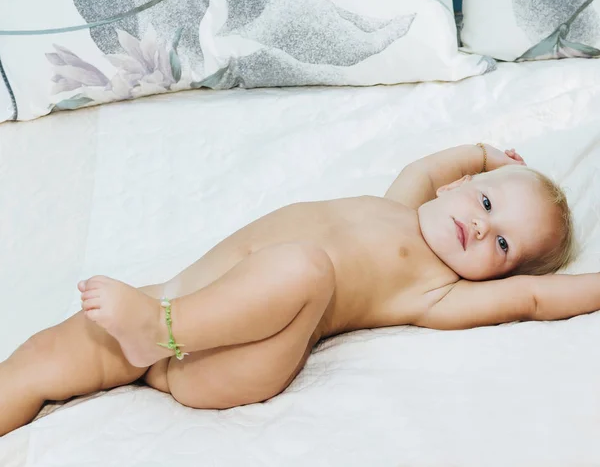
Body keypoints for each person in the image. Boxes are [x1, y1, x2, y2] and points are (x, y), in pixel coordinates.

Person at [1, 143, 591, 437]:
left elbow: (537, 300)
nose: (484, 227)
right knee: (35, 364)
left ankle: (159, 329)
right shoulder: (399, 203)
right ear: (460, 184)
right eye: (487, 201)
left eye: (505, 247)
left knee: (304, 267)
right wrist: (485, 150)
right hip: (174, 295)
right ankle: (153, 325)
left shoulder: (435, 293)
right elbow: (432, 167)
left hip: (222, 361)